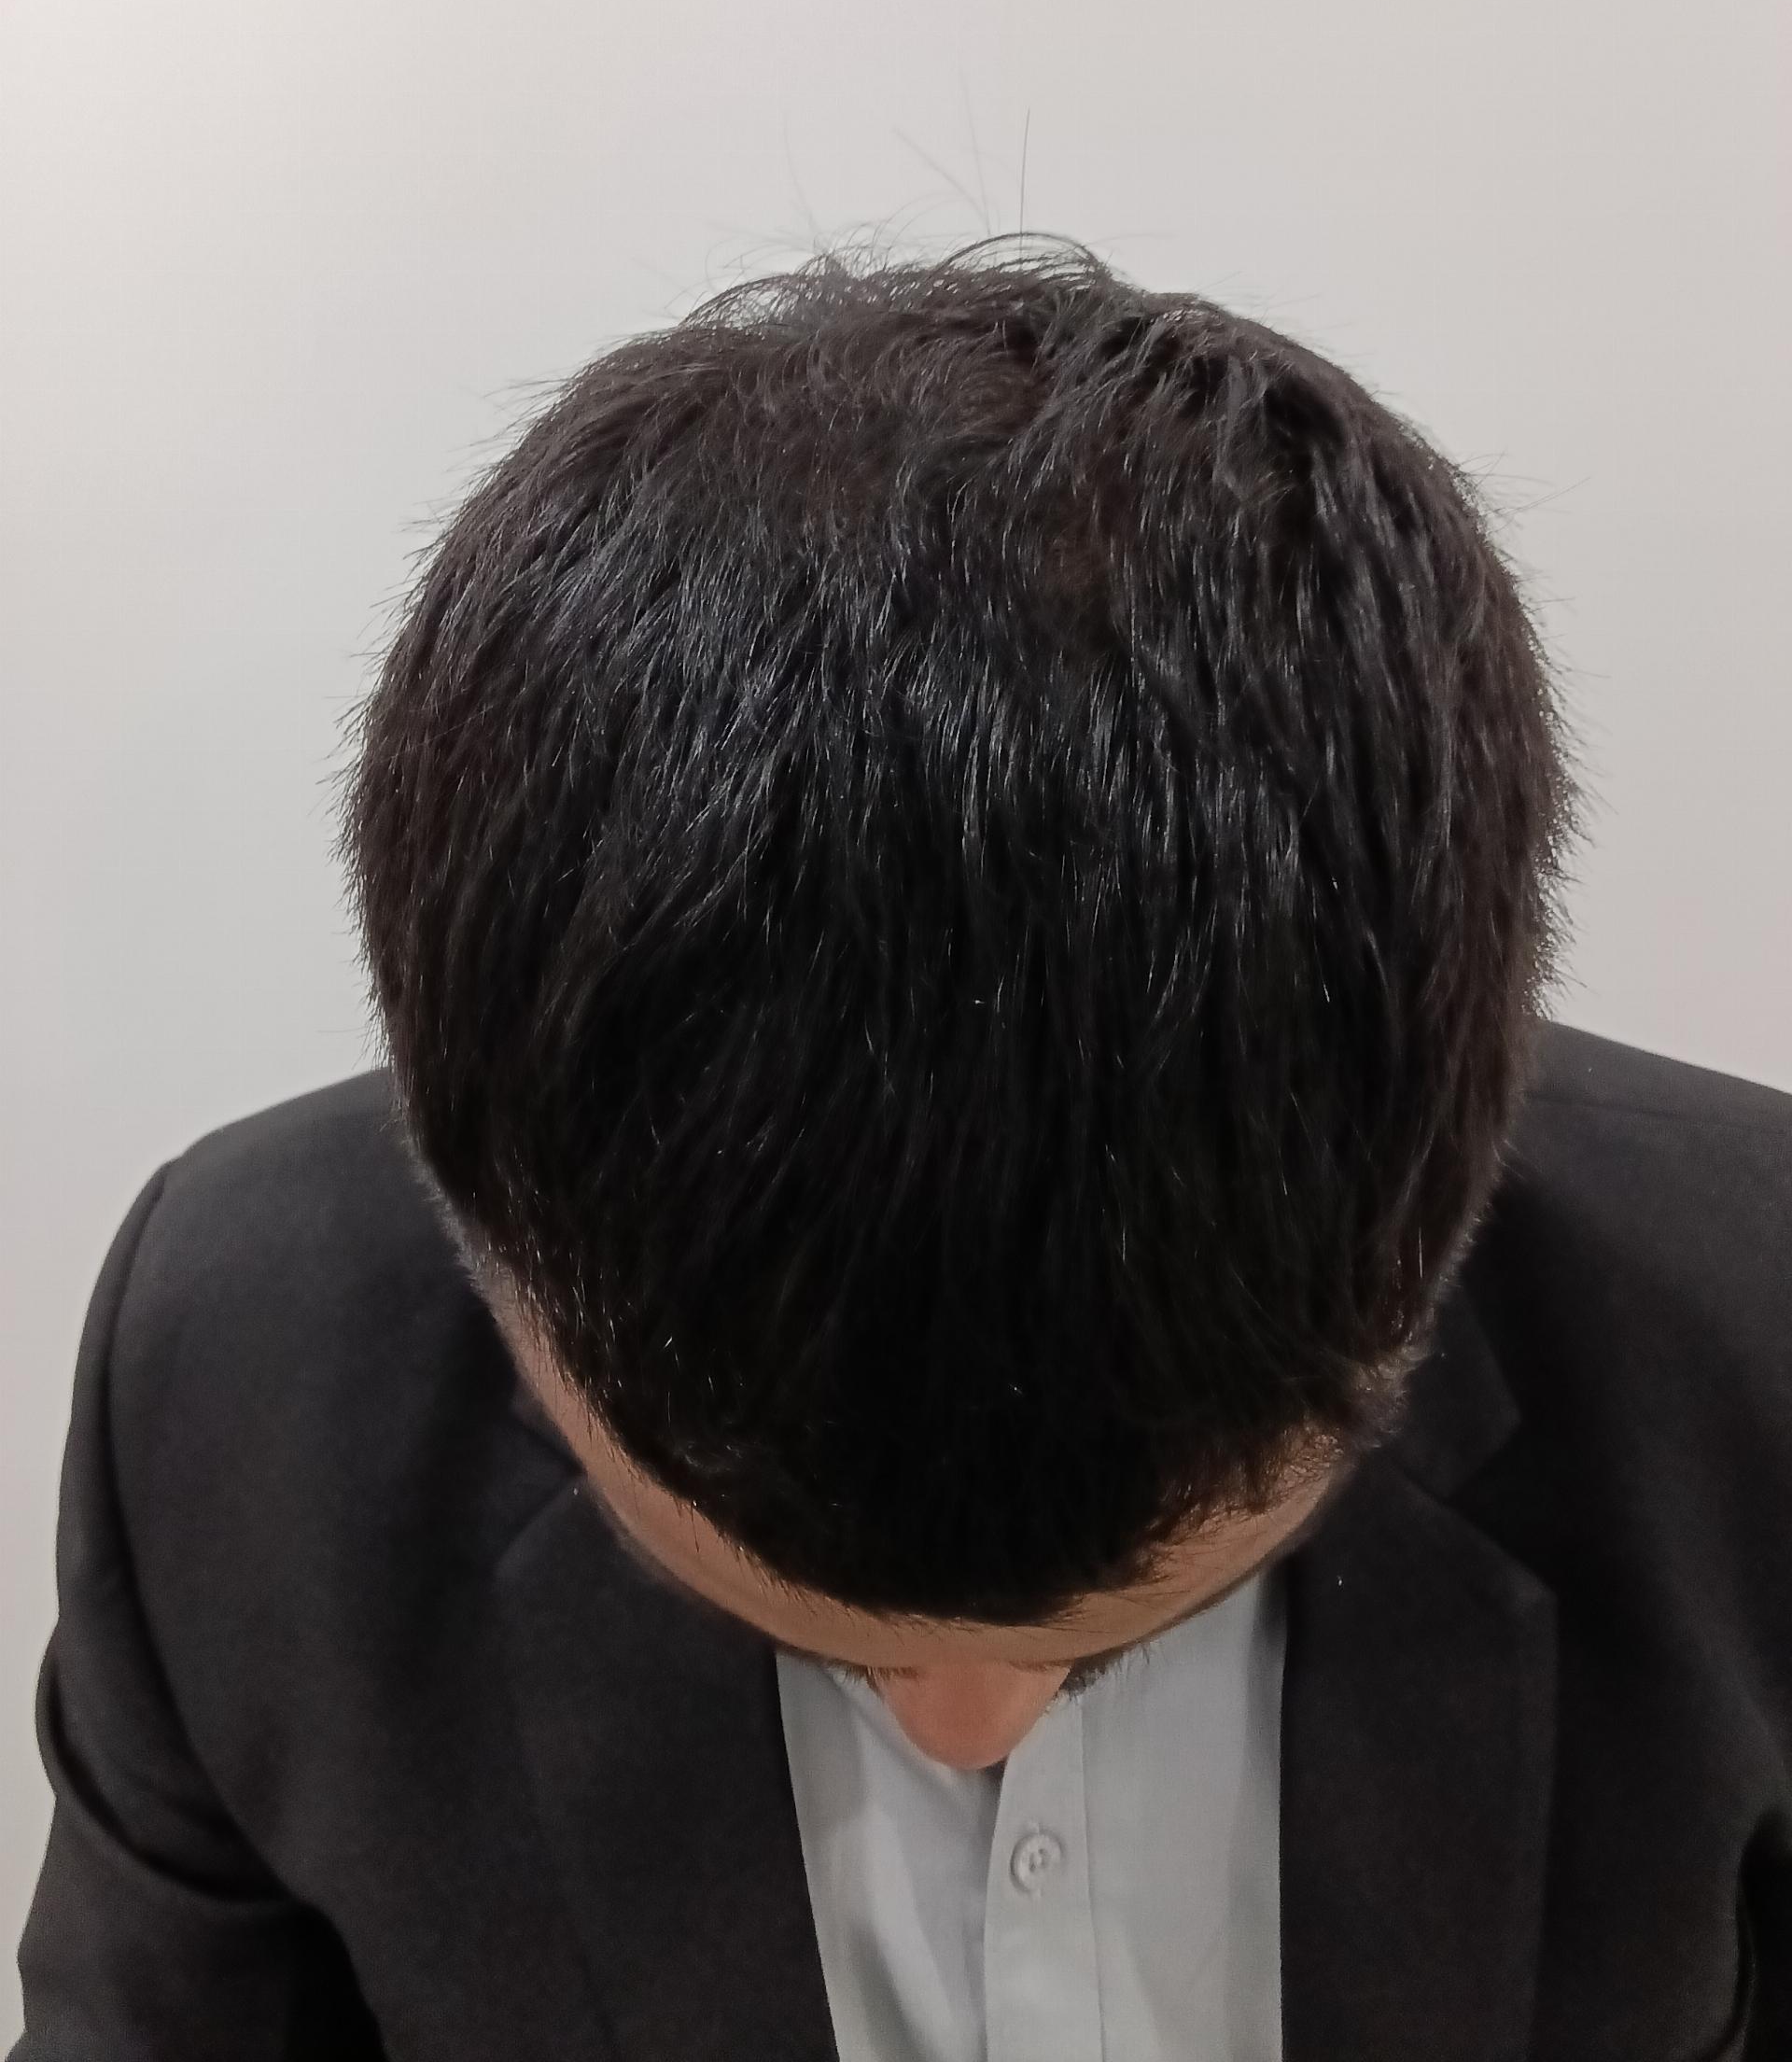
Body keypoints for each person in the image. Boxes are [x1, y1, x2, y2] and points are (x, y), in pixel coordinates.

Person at [12, 241, 1790, 2060]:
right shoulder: (238, 1391)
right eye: (830, 1634)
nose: (965, 1722)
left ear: (1431, 1242)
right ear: (491, 1257)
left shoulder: (1755, 1342)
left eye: (1131, 1625)